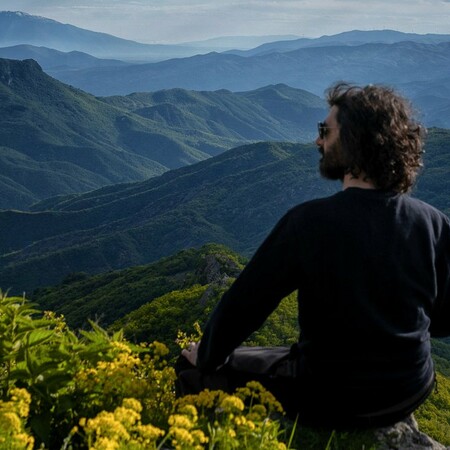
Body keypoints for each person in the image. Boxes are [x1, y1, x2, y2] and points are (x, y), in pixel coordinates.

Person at [176, 82, 450, 428]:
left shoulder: (308, 223)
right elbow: (442, 320)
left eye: (325, 131)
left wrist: (207, 355)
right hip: (411, 388)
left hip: (327, 395)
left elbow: (245, 305)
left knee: (190, 367)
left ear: (353, 140)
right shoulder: (434, 223)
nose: (317, 141)